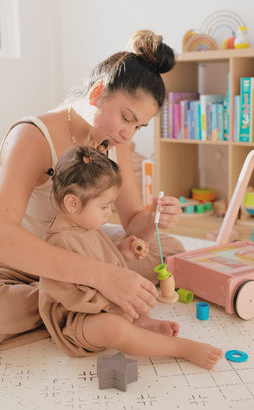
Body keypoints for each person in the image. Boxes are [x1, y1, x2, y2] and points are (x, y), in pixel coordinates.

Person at [0, 30, 185, 350]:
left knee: (170, 249)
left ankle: (75, 304)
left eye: (138, 126)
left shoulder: (116, 141)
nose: (129, 134)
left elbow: (133, 222)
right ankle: (75, 303)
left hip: (82, 247)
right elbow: (4, 238)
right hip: (22, 265)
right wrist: (102, 276)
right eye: (127, 118)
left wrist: (154, 218)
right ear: (98, 91)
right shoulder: (32, 137)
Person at [39, 146, 223, 370]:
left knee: (136, 285)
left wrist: (121, 250)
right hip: (78, 321)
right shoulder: (61, 241)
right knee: (114, 329)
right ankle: (180, 348)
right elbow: (76, 295)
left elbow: (99, 260)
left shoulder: (83, 224)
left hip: (103, 305)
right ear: (73, 203)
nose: (109, 213)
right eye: (104, 206)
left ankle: (141, 323)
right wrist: (117, 303)